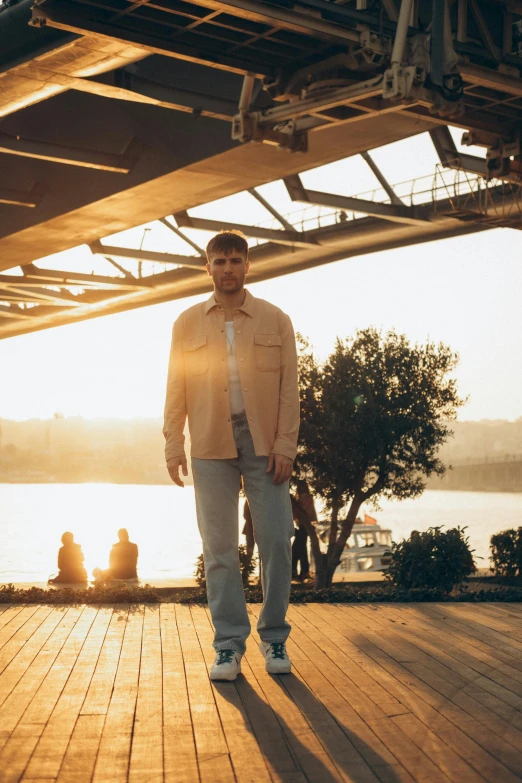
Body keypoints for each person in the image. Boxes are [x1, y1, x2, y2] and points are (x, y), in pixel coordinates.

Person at [164, 230, 299, 682]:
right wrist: (172, 442)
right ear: (208, 268)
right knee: (220, 549)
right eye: (219, 262)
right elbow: (175, 388)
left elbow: (289, 392)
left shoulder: (276, 320)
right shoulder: (185, 323)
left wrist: (285, 447)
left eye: (235, 260)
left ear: (247, 266)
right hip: (208, 446)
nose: (227, 269)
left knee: (278, 541)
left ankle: (275, 636)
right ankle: (228, 646)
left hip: (265, 448)